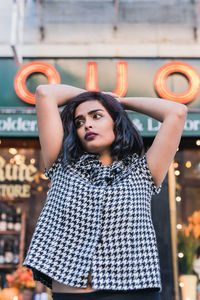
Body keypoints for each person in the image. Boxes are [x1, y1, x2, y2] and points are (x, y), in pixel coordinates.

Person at [23, 84, 187, 300]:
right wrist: (97, 96)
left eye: (96, 116)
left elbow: (177, 112)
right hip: (73, 291)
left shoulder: (143, 171)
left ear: (116, 122)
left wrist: (119, 102)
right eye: (80, 122)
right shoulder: (62, 165)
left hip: (132, 291)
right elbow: (45, 92)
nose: (87, 125)